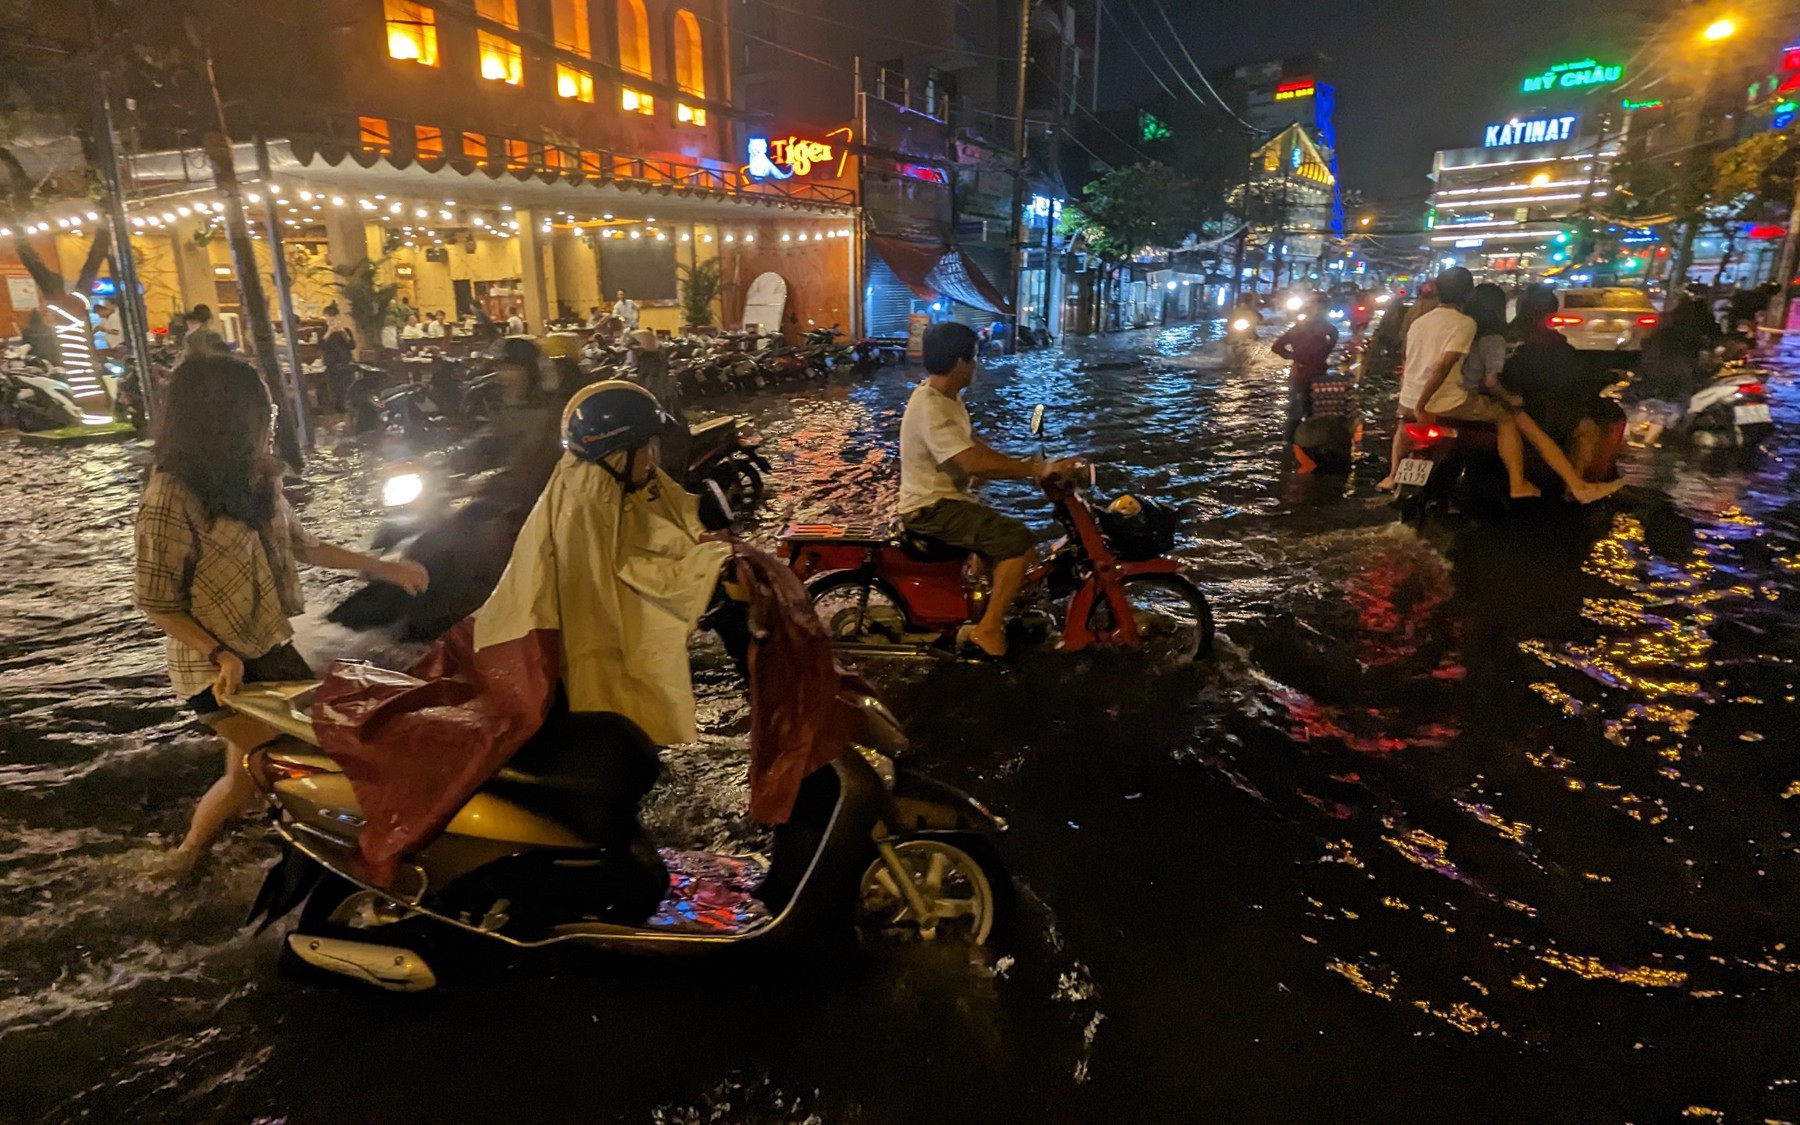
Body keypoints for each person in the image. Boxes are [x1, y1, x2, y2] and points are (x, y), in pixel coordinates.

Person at [134, 354, 429, 874]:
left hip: (269, 646)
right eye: (262, 407)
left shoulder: (255, 478)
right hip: (216, 672)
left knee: (255, 772)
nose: (273, 415)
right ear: (225, 416)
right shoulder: (170, 495)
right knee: (300, 763)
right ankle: (331, 859)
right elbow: (157, 600)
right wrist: (220, 654)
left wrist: (383, 569)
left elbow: (301, 544)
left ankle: (190, 857)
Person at [898, 321, 1077, 658]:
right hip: (932, 508)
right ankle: (989, 628)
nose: (977, 366)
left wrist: (1025, 468)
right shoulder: (932, 407)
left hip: (948, 502)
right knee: (1019, 542)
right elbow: (971, 463)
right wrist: (1033, 468)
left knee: (1007, 539)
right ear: (961, 362)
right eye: (975, 359)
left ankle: (988, 606)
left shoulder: (943, 398)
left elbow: (976, 449)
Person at [1411, 279, 1623, 505]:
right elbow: (1492, 379)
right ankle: (1572, 485)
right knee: (1525, 421)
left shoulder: (1454, 328)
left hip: (1438, 401)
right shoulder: (1502, 337)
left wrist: (1419, 404)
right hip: (1480, 401)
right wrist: (1510, 398)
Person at [1271, 294, 1339, 451]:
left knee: (1312, 413)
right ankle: (1290, 447)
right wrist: (1296, 357)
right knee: (1297, 413)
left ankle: (1303, 446)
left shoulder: (1326, 329)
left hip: (1316, 377)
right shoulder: (1305, 329)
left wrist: (1297, 357)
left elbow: (1327, 348)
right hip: (1304, 376)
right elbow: (1277, 347)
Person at [320, 302, 356, 412]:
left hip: (345, 364)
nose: (330, 321)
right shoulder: (323, 331)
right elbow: (321, 346)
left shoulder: (345, 331)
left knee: (349, 390)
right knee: (335, 393)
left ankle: (350, 413)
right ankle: (338, 413)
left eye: (333, 318)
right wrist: (329, 332)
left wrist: (343, 332)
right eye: (328, 318)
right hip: (331, 365)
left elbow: (352, 346)